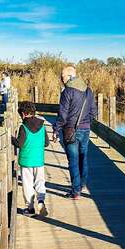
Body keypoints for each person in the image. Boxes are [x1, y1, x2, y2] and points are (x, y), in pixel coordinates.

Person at [53, 66, 97, 200]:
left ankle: (75, 191)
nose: (61, 79)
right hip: (86, 129)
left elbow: (62, 115)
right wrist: (86, 122)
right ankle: (82, 185)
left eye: (63, 76)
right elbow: (94, 112)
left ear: (70, 77)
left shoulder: (67, 92)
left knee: (73, 161)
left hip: (71, 130)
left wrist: (56, 129)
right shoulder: (88, 91)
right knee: (83, 158)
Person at [12, 102, 49, 216]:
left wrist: (11, 138)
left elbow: (20, 144)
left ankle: (30, 208)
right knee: (40, 182)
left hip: (26, 162)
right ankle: (41, 201)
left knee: (27, 184)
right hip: (39, 160)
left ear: (23, 114)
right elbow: (46, 143)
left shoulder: (23, 127)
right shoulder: (42, 126)